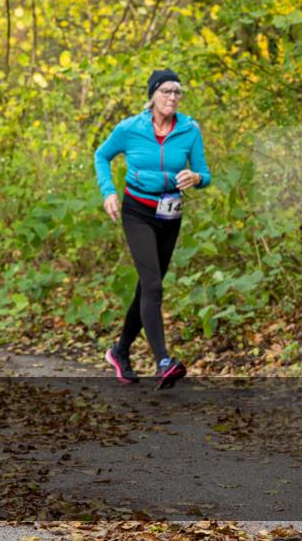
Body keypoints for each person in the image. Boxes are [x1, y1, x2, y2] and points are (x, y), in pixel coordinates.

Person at [94, 69, 211, 390]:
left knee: (147, 286)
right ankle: (163, 361)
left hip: (171, 215)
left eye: (177, 92)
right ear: (152, 95)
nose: (172, 97)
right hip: (138, 212)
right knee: (153, 285)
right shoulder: (130, 128)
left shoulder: (189, 129)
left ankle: (119, 352)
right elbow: (101, 156)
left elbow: (204, 173)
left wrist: (196, 178)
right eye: (166, 91)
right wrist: (109, 191)